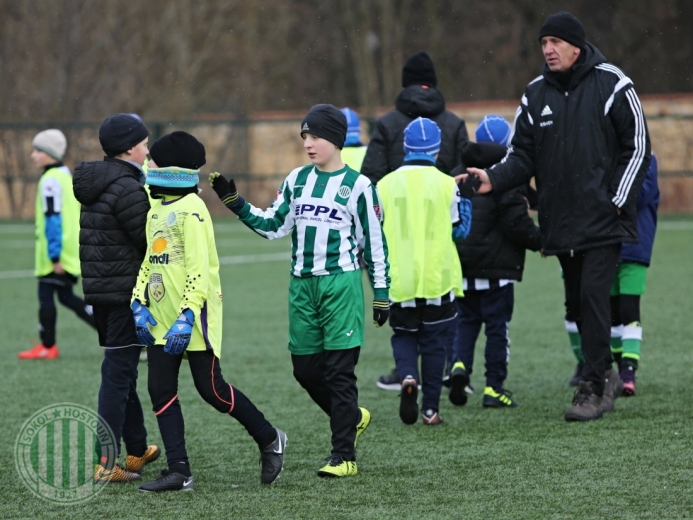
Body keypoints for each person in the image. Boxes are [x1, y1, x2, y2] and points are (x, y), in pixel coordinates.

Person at [466, 12, 651, 421]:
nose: (547, 50)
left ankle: (595, 384)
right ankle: (602, 376)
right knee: (576, 304)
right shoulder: (535, 95)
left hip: (603, 220)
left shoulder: (613, 83)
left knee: (593, 298)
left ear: (575, 47)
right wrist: (490, 181)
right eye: (543, 43)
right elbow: (521, 156)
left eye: (554, 42)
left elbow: (637, 147)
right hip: (561, 224)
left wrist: (615, 200)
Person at [210, 104, 389, 478]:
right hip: (301, 287)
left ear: (336, 140)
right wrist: (236, 203)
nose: (309, 143)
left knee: (340, 373)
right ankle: (353, 418)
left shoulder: (359, 186)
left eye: (316, 136)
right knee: (305, 371)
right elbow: (273, 224)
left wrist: (382, 292)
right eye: (305, 136)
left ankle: (344, 456)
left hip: (340, 285)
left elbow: (374, 243)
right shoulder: (296, 180)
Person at [130, 131, 286, 492]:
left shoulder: (193, 210)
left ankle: (270, 438)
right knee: (159, 388)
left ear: (170, 168)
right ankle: (179, 471)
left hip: (193, 318)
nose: (146, 164)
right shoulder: (157, 206)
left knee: (211, 390)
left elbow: (200, 271)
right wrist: (138, 302)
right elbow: (150, 263)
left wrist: (186, 316)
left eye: (152, 159)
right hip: (159, 320)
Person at [364, 51, 470, 391]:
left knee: (404, 316)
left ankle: (405, 370)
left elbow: (370, 177)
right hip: (440, 234)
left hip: (399, 242)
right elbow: (464, 173)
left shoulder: (389, 123)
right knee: (445, 309)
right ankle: (448, 368)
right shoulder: (453, 123)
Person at [73, 113, 159, 482]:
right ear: (128, 148)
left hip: (102, 293)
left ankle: (137, 450)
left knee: (122, 373)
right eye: (143, 142)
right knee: (117, 377)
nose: (148, 148)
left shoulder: (100, 181)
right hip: (124, 294)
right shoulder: (126, 188)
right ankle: (105, 463)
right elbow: (149, 240)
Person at [378, 117, 476, 426]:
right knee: (436, 344)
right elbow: (460, 231)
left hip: (400, 278)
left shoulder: (384, 184)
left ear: (405, 147)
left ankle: (408, 376)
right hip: (437, 278)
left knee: (404, 336)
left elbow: (375, 231)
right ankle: (431, 410)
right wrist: (467, 201)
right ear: (436, 150)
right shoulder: (447, 183)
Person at [448, 116, 543, 409]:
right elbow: (515, 222)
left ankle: (459, 367)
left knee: (465, 325)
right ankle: (494, 388)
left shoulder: (458, 173)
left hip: (462, 268)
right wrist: (541, 241)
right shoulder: (506, 175)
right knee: (496, 330)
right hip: (496, 272)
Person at [565, 154, 659, 395]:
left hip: (634, 248)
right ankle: (615, 371)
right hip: (605, 248)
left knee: (629, 310)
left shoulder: (645, 159)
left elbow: (637, 197)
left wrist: (604, 193)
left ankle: (628, 371)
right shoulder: (603, 156)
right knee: (612, 313)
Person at [18, 129, 96, 360]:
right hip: (69, 248)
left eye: (38, 150)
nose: (33, 155)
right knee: (65, 297)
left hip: (57, 252)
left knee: (46, 295)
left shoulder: (50, 180)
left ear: (50, 153)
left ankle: (48, 346)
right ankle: (111, 333)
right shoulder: (65, 175)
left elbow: (53, 217)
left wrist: (54, 255)